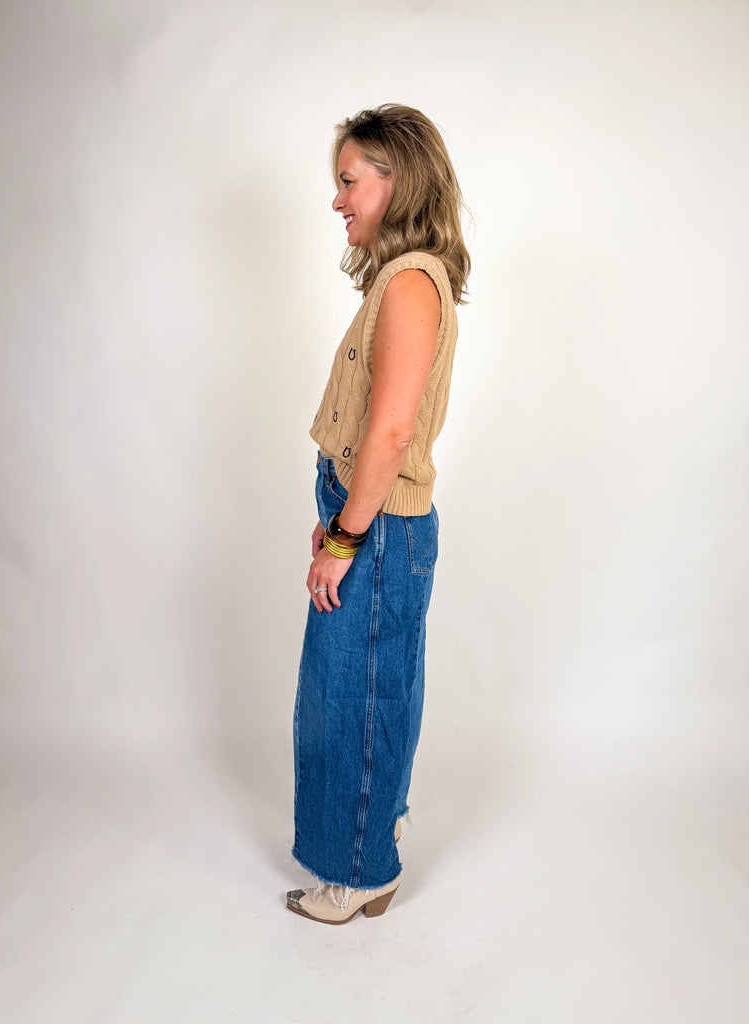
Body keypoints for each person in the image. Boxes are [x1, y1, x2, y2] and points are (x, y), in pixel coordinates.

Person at [287, 104, 470, 925]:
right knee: (369, 685)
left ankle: (357, 875)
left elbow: (390, 433)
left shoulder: (409, 283)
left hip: (380, 527)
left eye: (349, 182)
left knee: (352, 695)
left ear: (396, 182)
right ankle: (375, 848)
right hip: (374, 520)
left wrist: (344, 536)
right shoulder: (406, 281)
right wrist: (337, 516)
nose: (339, 201)